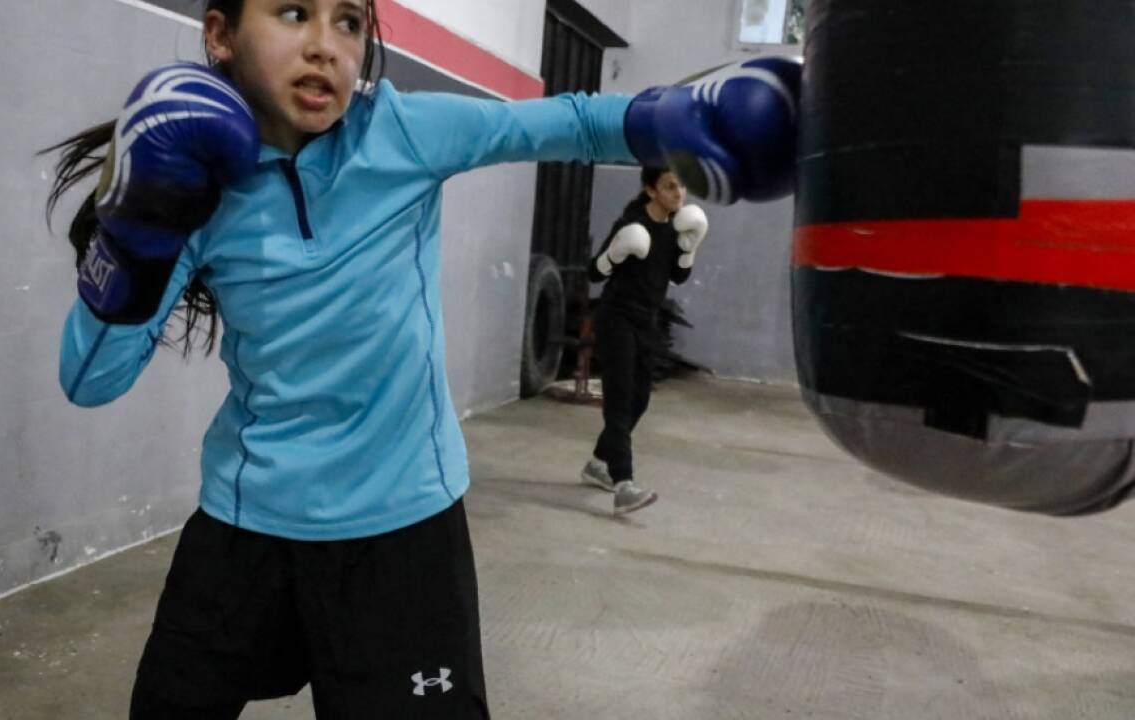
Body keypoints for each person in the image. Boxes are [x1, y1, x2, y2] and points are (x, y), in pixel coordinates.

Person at [42, 0, 799, 714]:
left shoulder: (398, 131)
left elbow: (552, 124)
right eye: (293, 13)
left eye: (348, 21)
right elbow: (90, 379)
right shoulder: (196, 187)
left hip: (403, 528)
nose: (324, 45)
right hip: (251, 523)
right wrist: (138, 223)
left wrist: (672, 117)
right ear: (220, 36)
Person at [580, 167, 708, 514]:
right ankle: (624, 485)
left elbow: (679, 277)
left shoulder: (677, 226)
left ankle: (598, 463)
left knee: (639, 400)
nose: (679, 192)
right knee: (619, 401)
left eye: (681, 184)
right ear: (651, 190)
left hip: (646, 322)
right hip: (616, 318)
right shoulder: (631, 226)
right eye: (670, 186)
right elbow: (594, 272)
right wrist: (613, 254)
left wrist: (691, 246)